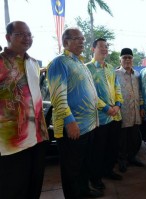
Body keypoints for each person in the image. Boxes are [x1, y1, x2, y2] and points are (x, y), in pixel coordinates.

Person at [47, 27, 104, 198]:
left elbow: (91, 93)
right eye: (76, 38)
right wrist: (70, 122)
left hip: (89, 125)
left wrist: (107, 108)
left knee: (84, 165)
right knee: (72, 169)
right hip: (73, 127)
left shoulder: (79, 63)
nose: (82, 41)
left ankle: (84, 191)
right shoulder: (59, 62)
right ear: (66, 42)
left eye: (82, 39)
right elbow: (58, 97)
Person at [0, 21, 49, 199]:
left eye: (29, 34)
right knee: (12, 188)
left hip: (37, 136)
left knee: (34, 185)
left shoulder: (33, 63)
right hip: (10, 142)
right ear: (8, 37)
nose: (27, 38)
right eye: (21, 34)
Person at [86, 38, 124, 188]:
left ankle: (108, 171)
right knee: (98, 150)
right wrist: (106, 108)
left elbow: (117, 88)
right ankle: (96, 179)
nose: (104, 49)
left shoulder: (110, 68)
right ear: (93, 49)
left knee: (112, 148)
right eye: (101, 46)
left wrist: (118, 105)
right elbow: (90, 93)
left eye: (106, 47)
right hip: (99, 118)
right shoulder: (87, 68)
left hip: (115, 115)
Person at [115, 48, 144, 173]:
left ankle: (132, 158)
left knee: (135, 139)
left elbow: (140, 92)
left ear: (133, 59)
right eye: (124, 57)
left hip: (135, 112)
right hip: (122, 113)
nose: (127, 60)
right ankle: (122, 161)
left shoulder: (137, 75)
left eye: (129, 57)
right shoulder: (115, 74)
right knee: (122, 140)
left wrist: (142, 107)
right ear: (120, 59)